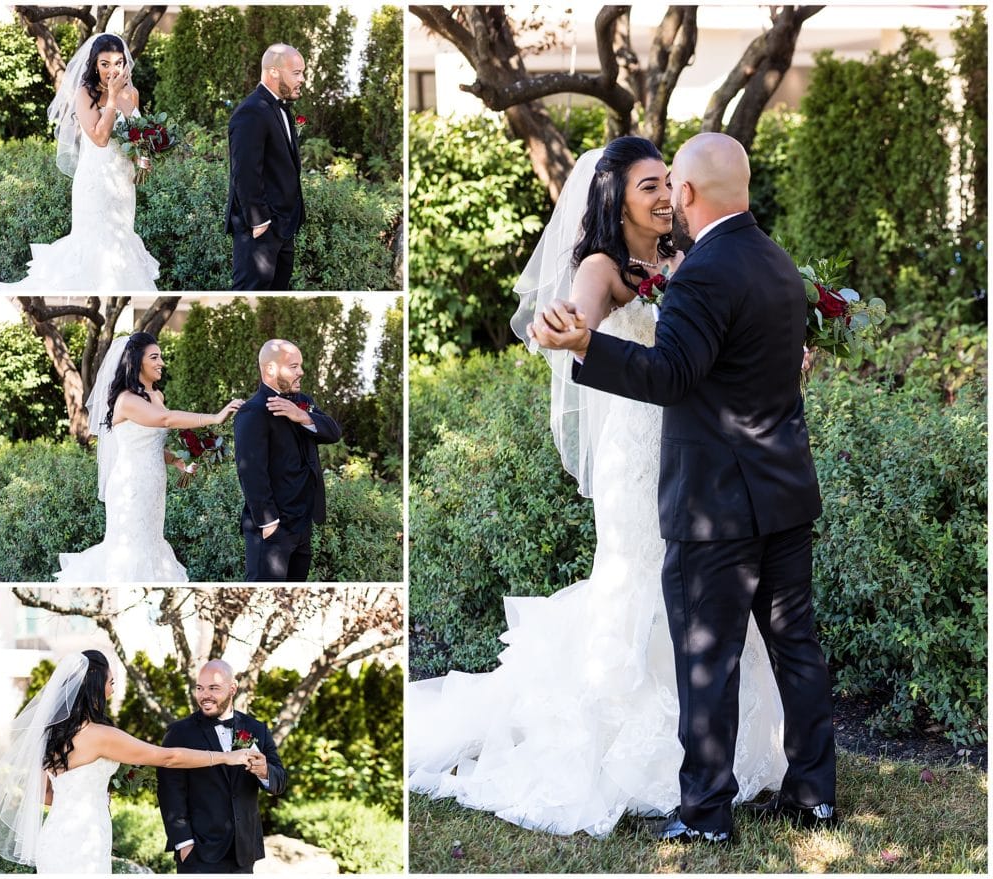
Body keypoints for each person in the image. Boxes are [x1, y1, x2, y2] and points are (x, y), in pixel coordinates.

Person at [407, 137, 788, 839]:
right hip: (638, 449)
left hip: (699, 455)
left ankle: (712, 754)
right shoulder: (603, 265)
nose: (665, 195)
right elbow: (577, 314)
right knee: (637, 574)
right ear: (617, 198)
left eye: (667, 183)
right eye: (649, 185)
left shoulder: (687, 259)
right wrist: (568, 328)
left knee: (702, 590)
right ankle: (631, 746)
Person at [530, 132, 837, 844]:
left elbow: (670, 376)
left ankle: (705, 813)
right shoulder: (777, 262)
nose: (669, 196)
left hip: (717, 505)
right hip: (785, 493)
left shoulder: (701, 273)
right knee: (797, 645)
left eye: (674, 185)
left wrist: (583, 347)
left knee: (707, 658)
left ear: (690, 195)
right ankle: (814, 793)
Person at [0, 650, 253, 873]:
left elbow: (44, 793)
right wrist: (228, 757)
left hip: (55, 838)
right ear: (96, 687)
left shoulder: (52, 735)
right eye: (111, 682)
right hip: (84, 840)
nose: (112, 690)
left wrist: (88, 794)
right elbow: (169, 757)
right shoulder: (100, 736)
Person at [55, 332, 244, 582]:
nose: (161, 363)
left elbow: (147, 442)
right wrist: (214, 417)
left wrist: (176, 460)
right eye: (154, 357)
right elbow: (165, 420)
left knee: (152, 544)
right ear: (136, 362)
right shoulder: (126, 400)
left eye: (161, 357)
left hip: (154, 484)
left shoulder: (156, 396)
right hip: (130, 487)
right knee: (132, 552)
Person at [0, 33, 159, 292]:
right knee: (92, 244)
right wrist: (112, 98)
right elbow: (101, 138)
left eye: (118, 63)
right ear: (94, 65)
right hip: (95, 183)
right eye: (105, 64)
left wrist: (143, 158)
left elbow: (136, 135)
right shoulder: (85, 94)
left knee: (121, 242)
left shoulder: (132, 94)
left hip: (122, 184)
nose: (112, 71)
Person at [157, 659, 286, 873]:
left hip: (243, 854)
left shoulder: (257, 729)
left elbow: (280, 781)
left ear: (233, 688)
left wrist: (264, 771)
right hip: (198, 854)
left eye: (213, 688)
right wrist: (184, 843)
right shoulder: (179, 733)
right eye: (200, 688)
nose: (204, 695)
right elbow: (169, 791)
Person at [233, 339, 342, 581]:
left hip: (302, 524)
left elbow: (334, 432)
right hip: (274, 529)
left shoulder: (303, 402)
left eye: (300, 366)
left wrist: (301, 415)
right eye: (294, 366)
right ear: (270, 369)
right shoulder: (252, 412)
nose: (301, 372)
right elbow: (250, 471)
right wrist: (268, 522)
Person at [226, 43, 306, 290]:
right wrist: (259, 221)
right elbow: (245, 171)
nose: (302, 79)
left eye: (302, 73)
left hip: (283, 228)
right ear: (273, 72)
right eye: (296, 73)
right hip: (259, 231)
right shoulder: (250, 112)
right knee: (250, 288)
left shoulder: (281, 109)